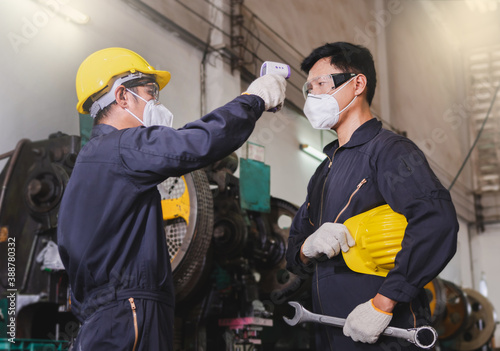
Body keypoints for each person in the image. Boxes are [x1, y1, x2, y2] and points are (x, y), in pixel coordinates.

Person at [57, 47, 286, 350]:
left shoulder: (91, 160)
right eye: (150, 91)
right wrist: (252, 101)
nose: (156, 101)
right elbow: (197, 143)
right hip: (130, 311)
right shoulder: (122, 147)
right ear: (122, 96)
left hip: (105, 313)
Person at [285, 42, 458, 350]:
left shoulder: (390, 151)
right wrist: (306, 249)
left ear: (357, 84)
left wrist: (382, 304)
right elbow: (294, 254)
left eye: (321, 84)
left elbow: (436, 223)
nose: (312, 96)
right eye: (308, 89)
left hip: (388, 333)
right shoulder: (324, 171)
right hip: (335, 334)